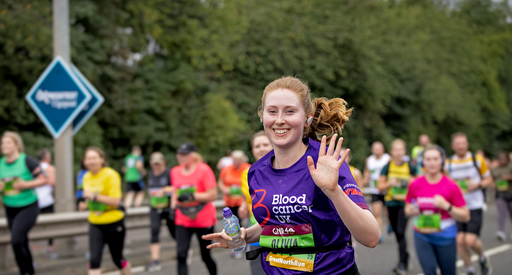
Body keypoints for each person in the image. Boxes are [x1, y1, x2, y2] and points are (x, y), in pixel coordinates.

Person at [204, 76, 380, 274]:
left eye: (290, 111)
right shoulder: (256, 172)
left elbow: (371, 238)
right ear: (262, 117)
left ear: (308, 118)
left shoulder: (326, 161)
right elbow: (276, 226)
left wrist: (333, 191)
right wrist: (244, 236)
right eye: (272, 111)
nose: (279, 120)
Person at [404, 145, 470, 275]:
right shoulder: (415, 184)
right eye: (428, 159)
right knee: (429, 272)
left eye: (435, 159)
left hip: (446, 236)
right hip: (422, 235)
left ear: (442, 161)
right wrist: (411, 210)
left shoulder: (451, 185)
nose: (432, 163)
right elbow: (407, 209)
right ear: (423, 162)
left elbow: (466, 216)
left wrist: (446, 206)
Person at [0, 131, 48, 275]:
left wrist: (25, 185)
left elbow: (45, 179)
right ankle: (30, 272)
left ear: (16, 144)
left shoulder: (26, 160)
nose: (4, 145)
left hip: (28, 207)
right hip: (10, 208)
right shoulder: (1, 163)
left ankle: (23, 272)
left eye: (8, 142)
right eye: (2, 143)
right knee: (22, 242)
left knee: (15, 241)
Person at [78, 147, 131, 275]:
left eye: (94, 158)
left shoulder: (111, 175)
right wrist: (85, 204)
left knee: (117, 259)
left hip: (114, 221)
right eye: (88, 158)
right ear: (84, 161)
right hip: (95, 222)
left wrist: (95, 196)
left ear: (102, 159)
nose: (91, 161)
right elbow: (89, 199)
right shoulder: (85, 176)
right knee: (94, 260)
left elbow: (116, 201)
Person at [445, 132, 492, 275]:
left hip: (475, 205)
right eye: (458, 143)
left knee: (470, 241)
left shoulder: (476, 160)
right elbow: (446, 183)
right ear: (453, 146)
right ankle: (470, 269)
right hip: (458, 207)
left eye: (463, 143)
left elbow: (488, 179)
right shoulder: (449, 163)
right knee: (460, 241)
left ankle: (483, 257)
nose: (461, 146)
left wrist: (477, 185)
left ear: (467, 144)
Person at [171, 142, 217, 275]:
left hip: (203, 219)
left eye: (185, 154)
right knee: (181, 255)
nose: (181, 157)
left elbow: (212, 194)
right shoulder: (175, 171)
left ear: (193, 155)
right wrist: (172, 207)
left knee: (205, 256)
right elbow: (175, 191)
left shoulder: (203, 169)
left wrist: (192, 196)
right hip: (183, 219)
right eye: (179, 154)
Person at [377, 138, 417, 275]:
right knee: (396, 232)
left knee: (400, 231)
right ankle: (406, 255)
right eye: (396, 149)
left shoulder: (410, 167)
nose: (399, 152)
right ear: (391, 152)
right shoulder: (387, 167)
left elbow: (420, 184)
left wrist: (410, 181)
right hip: (391, 204)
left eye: (401, 149)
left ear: (404, 151)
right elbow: (380, 187)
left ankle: (402, 264)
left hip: (406, 204)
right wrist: (390, 183)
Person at [238, 131, 272, 275]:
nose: (261, 148)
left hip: (283, 235)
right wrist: (243, 205)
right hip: (257, 233)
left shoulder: (285, 170)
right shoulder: (247, 173)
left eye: (265, 144)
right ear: (252, 150)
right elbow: (248, 198)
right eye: (257, 146)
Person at [145, 152, 175, 272]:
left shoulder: (169, 173)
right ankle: (155, 260)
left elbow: (176, 187)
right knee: (154, 230)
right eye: (154, 164)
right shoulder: (150, 174)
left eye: (158, 164)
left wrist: (164, 190)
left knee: (173, 232)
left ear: (163, 162)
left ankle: (183, 250)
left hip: (168, 208)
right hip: (155, 207)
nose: (156, 166)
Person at [364, 141, 391, 240]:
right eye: (375, 148)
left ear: (383, 149)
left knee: (388, 212)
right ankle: (379, 234)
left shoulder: (388, 159)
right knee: (377, 212)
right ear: (372, 150)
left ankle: (390, 223)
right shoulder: (369, 160)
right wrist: (366, 178)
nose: (377, 150)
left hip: (386, 189)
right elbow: (367, 171)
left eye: (379, 148)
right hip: (374, 189)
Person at [35, 148, 56, 253]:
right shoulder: (50, 168)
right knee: (50, 225)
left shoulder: (33, 167)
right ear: (47, 158)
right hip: (47, 200)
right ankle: (50, 246)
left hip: (34, 200)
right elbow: (52, 182)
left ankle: (34, 246)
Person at [491, 151, 512, 242]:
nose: (503, 160)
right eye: (501, 158)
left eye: (504, 158)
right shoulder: (496, 169)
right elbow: (492, 178)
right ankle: (501, 231)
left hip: (510, 194)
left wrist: (508, 177)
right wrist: (493, 184)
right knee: (501, 213)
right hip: (500, 194)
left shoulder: (510, 167)